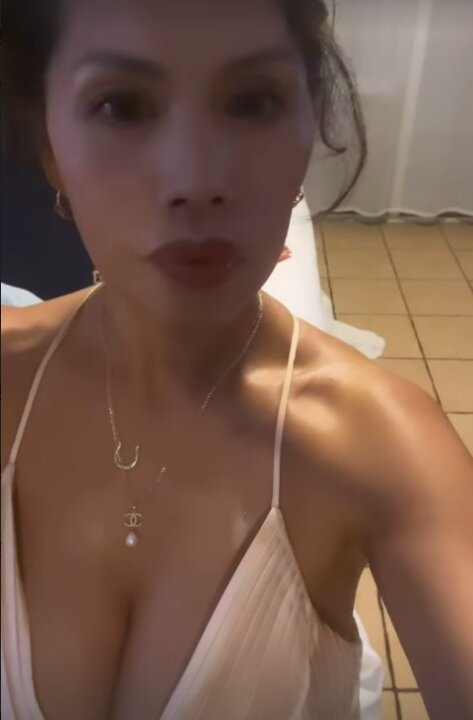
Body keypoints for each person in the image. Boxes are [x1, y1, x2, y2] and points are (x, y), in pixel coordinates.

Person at [1, 2, 472, 720]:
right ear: (49, 148)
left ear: (308, 128)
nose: (196, 179)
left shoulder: (381, 447)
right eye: (123, 106)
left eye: (252, 102)